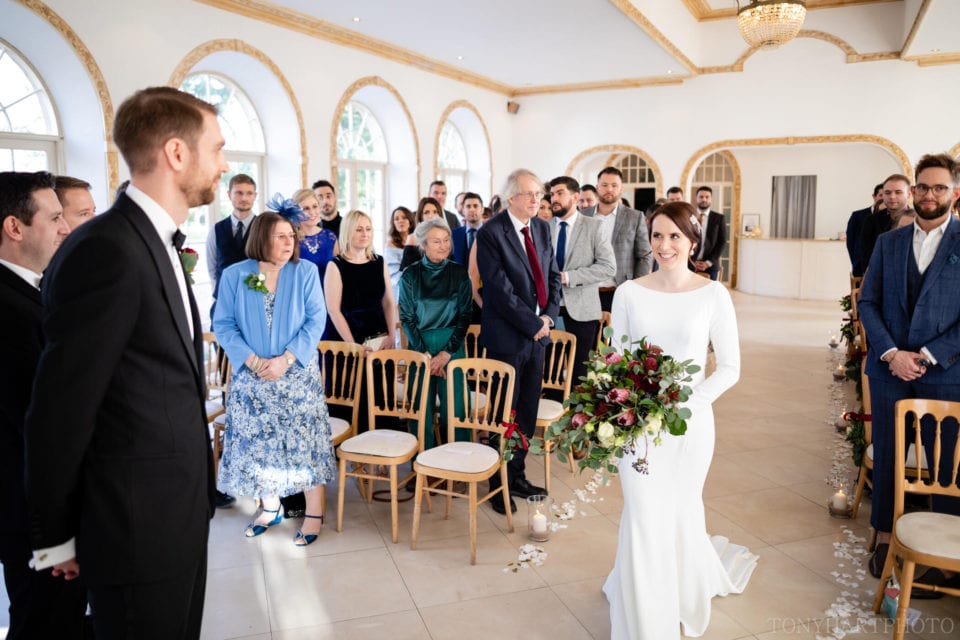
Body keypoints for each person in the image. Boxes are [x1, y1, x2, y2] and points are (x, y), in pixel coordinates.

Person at [24, 86, 226, 639]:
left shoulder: (155, 240)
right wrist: (55, 536)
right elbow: (60, 408)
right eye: (218, 149)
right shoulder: (106, 249)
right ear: (177, 153)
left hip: (176, 517)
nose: (224, 165)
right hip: (135, 529)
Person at [607, 201, 756, 639]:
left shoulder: (713, 294)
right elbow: (618, 359)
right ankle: (644, 616)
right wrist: (628, 406)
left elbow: (729, 367)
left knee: (680, 508)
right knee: (641, 512)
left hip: (689, 426)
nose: (665, 245)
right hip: (638, 424)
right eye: (657, 236)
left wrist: (686, 404)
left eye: (675, 236)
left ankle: (679, 593)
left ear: (692, 241)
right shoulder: (629, 292)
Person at [858, 154, 960, 590]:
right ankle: (883, 533)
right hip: (889, 370)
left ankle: (942, 554)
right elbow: (868, 303)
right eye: (923, 187)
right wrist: (891, 353)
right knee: (889, 453)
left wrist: (930, 355)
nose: (929, 195)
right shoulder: (890, 243)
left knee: (944, 463)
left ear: (955, 193)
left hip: (945, 372)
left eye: (939, 188)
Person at [213, 211, 336, 546]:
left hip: (296, 376)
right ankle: (270, 508)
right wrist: (252, 361)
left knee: (306, 444)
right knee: (258, 444)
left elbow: (316, 320)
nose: (288, 242)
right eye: (280, 236)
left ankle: (313, 513)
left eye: (290, 236)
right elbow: (222, 323)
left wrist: (286, 359)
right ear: (260, 239)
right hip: (252, 378)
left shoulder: (305, 272)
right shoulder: (235, 275)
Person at [0, 171, 86, 639]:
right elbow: (39, 426)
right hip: (32, 515)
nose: (65, 228)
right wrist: (56, 537)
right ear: (15, 227)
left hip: (35, 512)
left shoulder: (29, 290)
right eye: (55, 217)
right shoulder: (8, 310)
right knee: (44, 623)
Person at [477, 168, 561, 514]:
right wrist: (532, 323)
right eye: (529, 194)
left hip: (537, 336)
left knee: (526, 411)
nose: (536, 200)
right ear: (511, 197)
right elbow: (498, 289)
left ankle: (518, 475)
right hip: (508, 338)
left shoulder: (541, 227)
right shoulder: (490, 233)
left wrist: (548, 317)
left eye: (539, 194)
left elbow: (553, 276)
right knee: (503, 414)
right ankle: (498, 486)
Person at [398, 217, 473, 451]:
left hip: (452, 346)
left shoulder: (460, 273)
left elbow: (465, 316)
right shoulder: (410, 275)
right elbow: (407, 318)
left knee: (456, 406)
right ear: (423, 245)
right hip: (419, 345)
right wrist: (426, 355)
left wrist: (445, 353)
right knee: (421, 407)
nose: (443, 245)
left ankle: (459, 459)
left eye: (446, 240)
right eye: (436, 241)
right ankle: (423, 461)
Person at [323, 210, 396, 433]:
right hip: (348, 340)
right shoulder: (335, 265)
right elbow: (334, 310)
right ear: (348, 231)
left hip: (379, 338)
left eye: (368, 228)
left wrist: (392, 335)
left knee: (380, 394)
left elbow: (389, 303)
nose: (364, 234)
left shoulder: (379, 261)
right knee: (351, 393)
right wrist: (354, 345)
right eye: (359, 229)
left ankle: (382, 447)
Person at [548, 175, 615, 385]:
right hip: (548, 308)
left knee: (579, 373)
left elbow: (608, 267)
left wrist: (569, 277)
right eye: (551, 194)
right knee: (550, 369)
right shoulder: (542, 227)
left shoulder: (594, 227)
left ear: (575, 196)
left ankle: (575, 417)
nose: (554, 199)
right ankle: (553, 413)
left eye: (560, 193)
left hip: (582, 309)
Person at [581, 166, 652, 311]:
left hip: (621, 290)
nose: (609, 189)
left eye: (614, 185)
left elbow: (644, 256)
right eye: (605, 185)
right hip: (587, 291)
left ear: (621, 189)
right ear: (597, 188)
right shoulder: (582, 216)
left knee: (620, 334)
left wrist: (636, 287)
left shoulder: (635, 217)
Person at [206, 173, 257, 301]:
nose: (244, 198)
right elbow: (212, 268)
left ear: (255, 196)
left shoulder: (265, 228)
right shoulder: (215, 230)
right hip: (223, 298)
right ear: (229, 195)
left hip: (255, 298)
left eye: (249, 193)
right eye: (239, 193)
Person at [855, 174, 912, 278]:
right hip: (880, 278)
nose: (892, 196)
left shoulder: (919, 219)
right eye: (887, 192)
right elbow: (865, 254)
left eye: (898, 192)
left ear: (909, 194)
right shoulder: (871, 220)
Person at [292, 188, 339, 284]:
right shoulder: (291, 239)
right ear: (296, 212)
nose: (312, 212)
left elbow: (339, 272)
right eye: (306, 208)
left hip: (327, 295)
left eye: (315, 206)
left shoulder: (330, 237)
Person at [400, 196, 445, 271]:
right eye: (426, 212)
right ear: (421, 217)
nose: (431, 215)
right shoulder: (412, 238)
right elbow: (406, 272)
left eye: (435, 212)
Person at [692, 186, 727, 281]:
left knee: (709, 294)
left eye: (707, 197)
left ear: (711, 199)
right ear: (696, 198)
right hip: (690, 264)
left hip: (711, 266)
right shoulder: (690, 216)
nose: (704, 199)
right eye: (701, 197)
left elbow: (722, 242)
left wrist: (708, 262)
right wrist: (691, 261)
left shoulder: (719, 218)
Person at [844, 184, 884, 267]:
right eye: (881, 195)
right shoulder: (857, 216)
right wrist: (856, 262)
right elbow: (850, 243)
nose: (883, 198)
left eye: (886, 194)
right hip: (861, 266)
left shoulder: (892, 216)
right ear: (874, 196)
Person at [385, 205, 415, 299]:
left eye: (404, 217)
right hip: (399, 287)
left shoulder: (418, 240)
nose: (400, 221)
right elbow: (392, 274)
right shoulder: (391, 245)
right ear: (393, 223)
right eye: (396, 219)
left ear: (410, 221)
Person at [451, 192, 483, 265]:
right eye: (468, 206)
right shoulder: (454, 234)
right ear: (463, 210)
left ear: (482, 210)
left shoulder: (491, 233)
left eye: (475, 206)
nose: (472, 209)